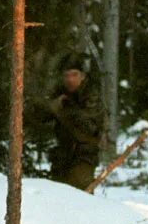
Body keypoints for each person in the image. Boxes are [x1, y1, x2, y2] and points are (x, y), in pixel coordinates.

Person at [44, 54, 105, 190]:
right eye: (67, 75)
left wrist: (64, 110)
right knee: (57, 194)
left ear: (82, 76)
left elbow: (88, 126)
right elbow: (40, 116)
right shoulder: (60, 94)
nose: (70, 79)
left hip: (84, 155)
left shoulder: (91, 95)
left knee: (79, 194)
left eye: (74, 74)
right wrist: (52, 107)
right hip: (62, 155)